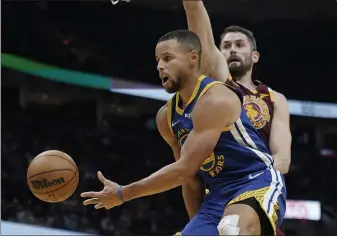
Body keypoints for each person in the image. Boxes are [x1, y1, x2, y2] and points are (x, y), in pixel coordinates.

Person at [81, 30, 286, 235]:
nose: (160, 66)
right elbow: (190, 180)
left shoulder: (215, 99)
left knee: (231, 229)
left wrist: (122, 193)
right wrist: (197, 226)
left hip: (255, 181)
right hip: (216, 195)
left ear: (192, 57)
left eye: (168, 58)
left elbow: (183, 170)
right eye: (158, 60)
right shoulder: (166, 117)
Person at [182, 1, 291, 235]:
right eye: (226, 46)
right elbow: (200, 34)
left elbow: (282, 158)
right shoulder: (219, 89)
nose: (232, 49)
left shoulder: (274, 99)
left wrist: (252, 184)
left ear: (255, 55)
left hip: (256, 189)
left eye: (239, 45)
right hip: (217, 192)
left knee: (232, 228)